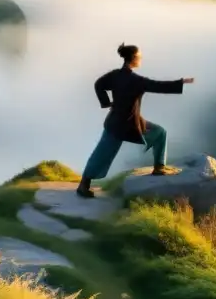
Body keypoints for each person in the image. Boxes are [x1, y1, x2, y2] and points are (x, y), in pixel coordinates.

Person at [76, 43, 195, 199]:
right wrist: (181, 82)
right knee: (104, 153)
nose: (141, 59)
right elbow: (158, 86)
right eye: (139, 56)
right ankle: (83, 186)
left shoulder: (115, 75)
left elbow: (98, 84)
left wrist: (107, 103)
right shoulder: (136, 80)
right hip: (125, 125)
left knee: (157, 133)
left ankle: (159, 167)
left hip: (120, 122)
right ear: (133, 59)